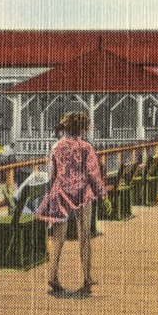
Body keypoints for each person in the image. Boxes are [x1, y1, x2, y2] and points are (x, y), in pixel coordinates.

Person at [35, 112, 106, 296]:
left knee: (58, 237)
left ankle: (52, 276)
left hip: (61, 192)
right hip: (82, 192)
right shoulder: (86, 147)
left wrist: (49, 192)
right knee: (84, 236)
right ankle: (87, 277)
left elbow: (52, 173)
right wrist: (102, 194)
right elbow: (93, 173)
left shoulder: (57, 147)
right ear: (82, 128)